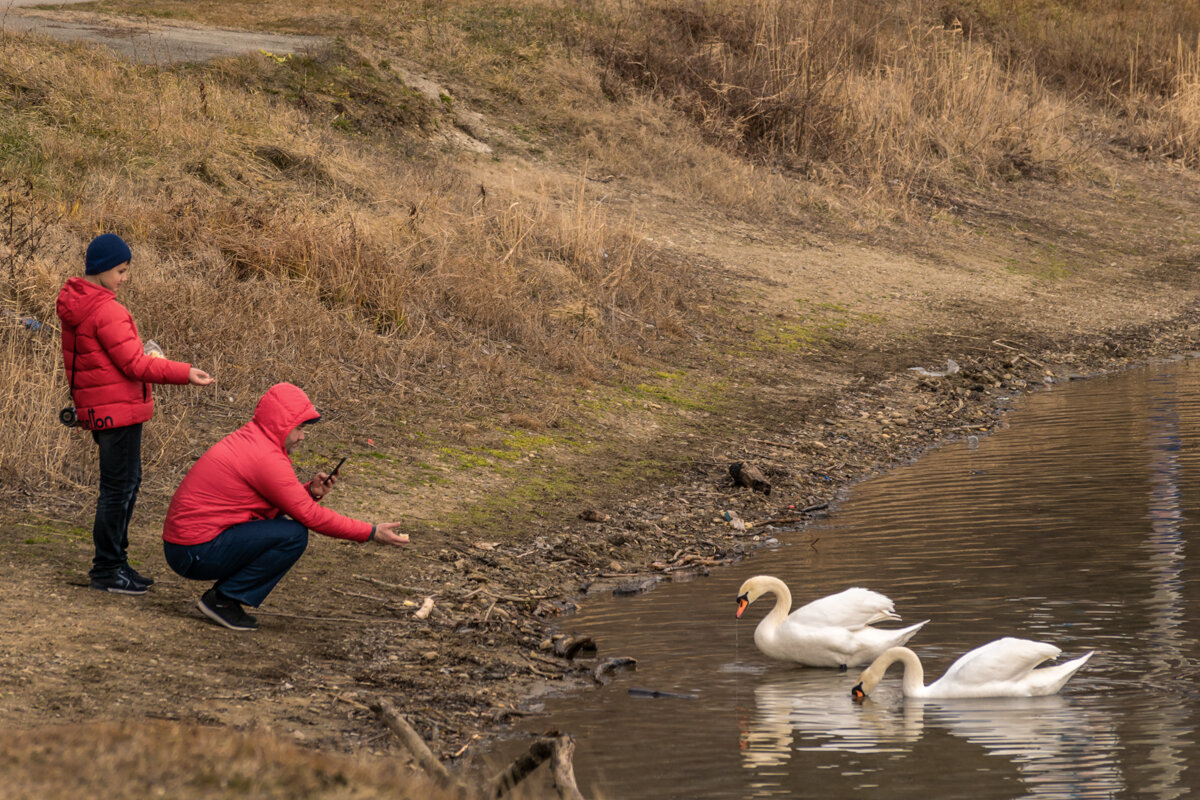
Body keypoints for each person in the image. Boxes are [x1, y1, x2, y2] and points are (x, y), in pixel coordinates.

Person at [162, 382, 408, 631]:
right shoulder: (265, 458)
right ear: (280, 423)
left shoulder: (254, 440)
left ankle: (224, 597)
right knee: (292, 535)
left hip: (188, 546)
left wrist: (310, 491)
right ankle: (223, 601)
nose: (302, 437)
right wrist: (371, 532)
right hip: (193, 552)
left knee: (282, 527)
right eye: (299, 428)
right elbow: (311, 517)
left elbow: (276, 503)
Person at [56, 233, 215, 595]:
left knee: (126, 485)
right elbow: (134, 364)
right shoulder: (106, 309)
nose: (125, 278)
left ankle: (117, 563)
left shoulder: (80, 303)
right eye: (121, 270)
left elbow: (109, 361)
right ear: (101, 270)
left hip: (105, 409)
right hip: (118, 412)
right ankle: (108, 569)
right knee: (118, 491)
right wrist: (183, 372)